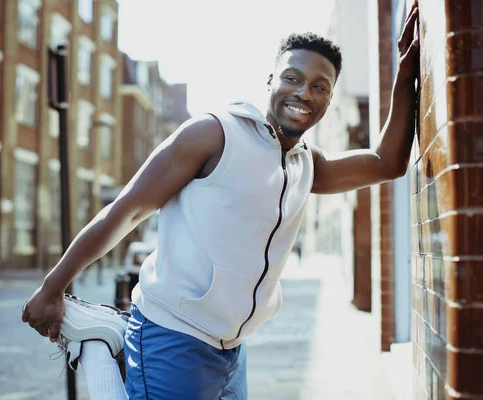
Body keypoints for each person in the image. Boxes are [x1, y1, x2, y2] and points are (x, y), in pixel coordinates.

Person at [22, 4, 420, 399]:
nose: (304, 92)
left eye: (320, 86)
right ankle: (103, 350)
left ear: (329, 100)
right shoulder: (214, 134)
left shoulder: (306, 164)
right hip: (174, 334)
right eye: (292, 78)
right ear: (270, 80)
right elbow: (128, 209)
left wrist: (407, 71)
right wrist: (53, 286)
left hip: (232, 350)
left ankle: (108, 347)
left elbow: (387, 163)